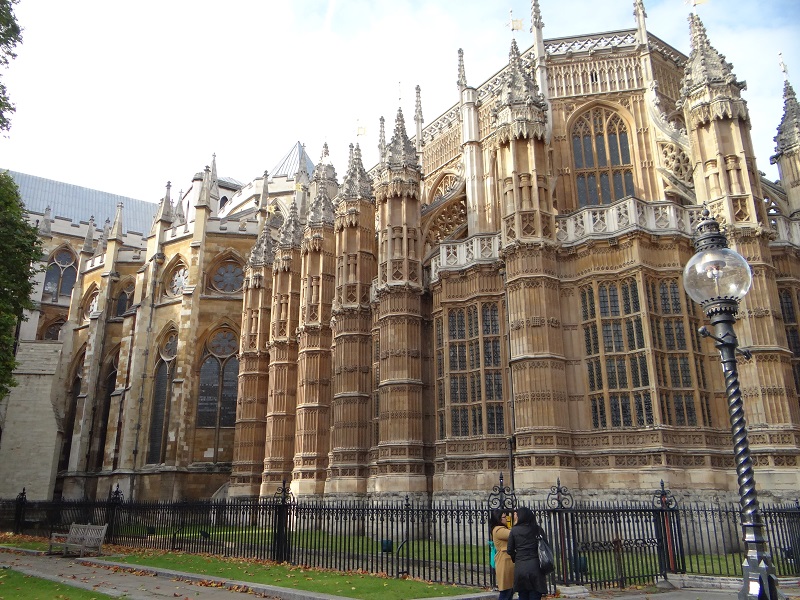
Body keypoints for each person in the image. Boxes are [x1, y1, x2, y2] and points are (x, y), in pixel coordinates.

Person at [507, 506, 549, 600]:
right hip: (536, 566)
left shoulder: (514, 530)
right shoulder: (537, 529)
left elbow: (509, 549)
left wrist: (516, 558)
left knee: (522, 595)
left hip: (520, 566)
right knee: (535, 595)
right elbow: (545, 546)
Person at [489, 509, 514, 600]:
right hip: (504, 562)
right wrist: (515, 522)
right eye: (504, 517)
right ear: (498, 519)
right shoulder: (499, 530)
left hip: (508, 561)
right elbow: (513, 534)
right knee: (506, 591)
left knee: (510, 590)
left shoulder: (501, 529)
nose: (506, 519)